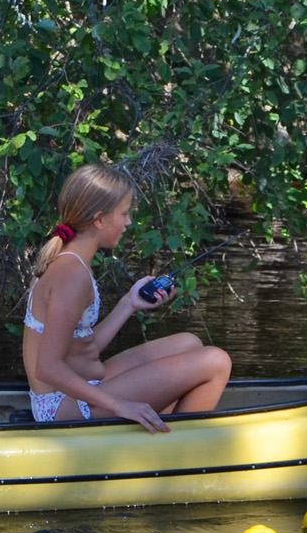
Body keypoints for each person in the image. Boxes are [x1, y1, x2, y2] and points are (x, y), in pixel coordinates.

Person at [22, 163, 232, 431]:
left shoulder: (67, 258)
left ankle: (159, 422)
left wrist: (129, 303)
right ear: (99, 219)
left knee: (189, 343)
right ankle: (175, 450)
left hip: (81, 385)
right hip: (63, 407)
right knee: (216, 362)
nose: (129, 222)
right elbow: (47, 368)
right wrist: (118, 404)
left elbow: (81, 348)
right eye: (124, 213)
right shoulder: (72, 275)